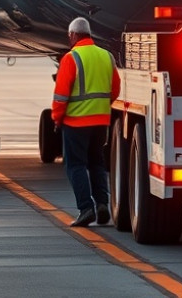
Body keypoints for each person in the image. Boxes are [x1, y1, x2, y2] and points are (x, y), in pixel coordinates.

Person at [52, 17, 120, 227]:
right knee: (97, 164)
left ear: (73, 35)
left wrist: (56, 118)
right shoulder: (107, 56)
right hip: (101, 122)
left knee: (76, 166)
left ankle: (85, 209)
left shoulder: (71, 58)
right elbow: (115, 89)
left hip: (76, 123)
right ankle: (102, 205)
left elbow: (61, 95)